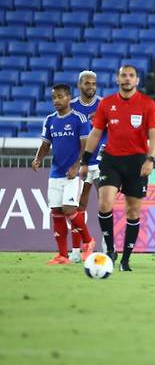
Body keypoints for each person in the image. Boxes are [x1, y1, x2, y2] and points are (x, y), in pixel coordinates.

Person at [79, 65, 155, 272]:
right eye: (123, 75)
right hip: (111, 160)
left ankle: (125, 259)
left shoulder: (147, 104)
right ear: (117, 79)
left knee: (132, 212)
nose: (127, 79)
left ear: (137, 80)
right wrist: (85, 161)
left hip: (137, 162)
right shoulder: (107, 104)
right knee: (105, 204)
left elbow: (153, 134)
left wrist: (150, 159)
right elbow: (96, 133)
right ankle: (111, 250)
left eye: (131, 76)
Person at [32, 84, 96, 265]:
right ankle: (62, 255)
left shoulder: (79, 118)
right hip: (55, 173)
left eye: (60, 96)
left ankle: (88, 240)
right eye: (53, 98)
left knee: (69, 209)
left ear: (69, 97)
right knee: (56, 212)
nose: (56, 101)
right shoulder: (50, 120)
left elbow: (86, 146)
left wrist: (77, 165)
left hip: (73, 175)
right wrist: (38, 159)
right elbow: (45, 144)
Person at [70, 70, 107, 261]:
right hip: (80, 164)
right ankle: (77, 250)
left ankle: (107, 248)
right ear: (79, 85)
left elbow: (113, 132)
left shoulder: (105, 105)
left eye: (93, 83)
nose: (91, 86)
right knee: (77, 206)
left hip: (101, 163)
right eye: (87, 83)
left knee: (105, 205)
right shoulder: (71, 107)